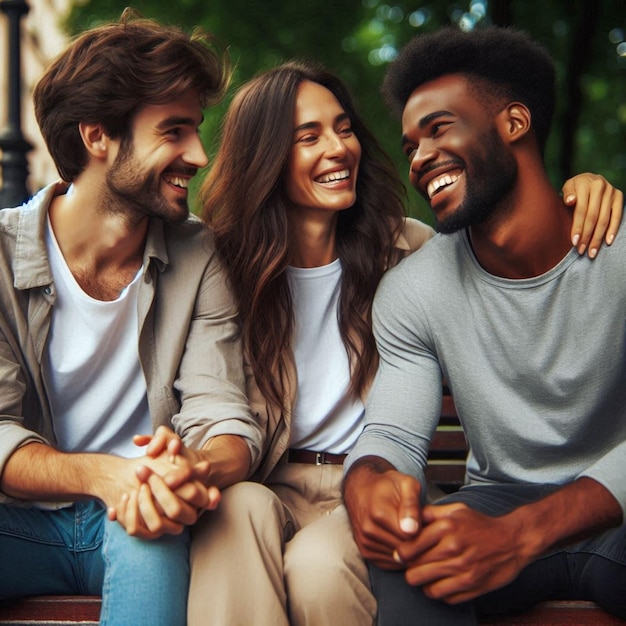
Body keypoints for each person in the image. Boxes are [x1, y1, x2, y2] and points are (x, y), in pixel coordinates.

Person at [186, 59, 621, 626]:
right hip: (270, 478)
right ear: (265, 155)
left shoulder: (407, 253)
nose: (339, 148)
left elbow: (511, 221)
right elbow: (213, 399)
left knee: (321, 566)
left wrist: (583, 186)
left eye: (343, 129)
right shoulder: (218, 268)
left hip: (377, 489)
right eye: (308, 136)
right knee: (235, 512)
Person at [343, 25, 626, 625]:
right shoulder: (413, 291)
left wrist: (526, 533)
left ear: (514, 123)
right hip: (498, 503)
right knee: (408, 559)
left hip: (618, 510)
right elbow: (393, 434)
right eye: (412, 144)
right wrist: (368, 480)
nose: (418, 159)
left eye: (438, 128)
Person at [0, 10, 263, 626]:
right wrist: (104, 475)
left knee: (150, 536)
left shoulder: (200, 256)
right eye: (174, 131)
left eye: (196, 130)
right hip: (18, 520)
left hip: (141, 520)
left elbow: (223, 411)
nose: (198, 155)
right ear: (98, 137)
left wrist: (189, 465)